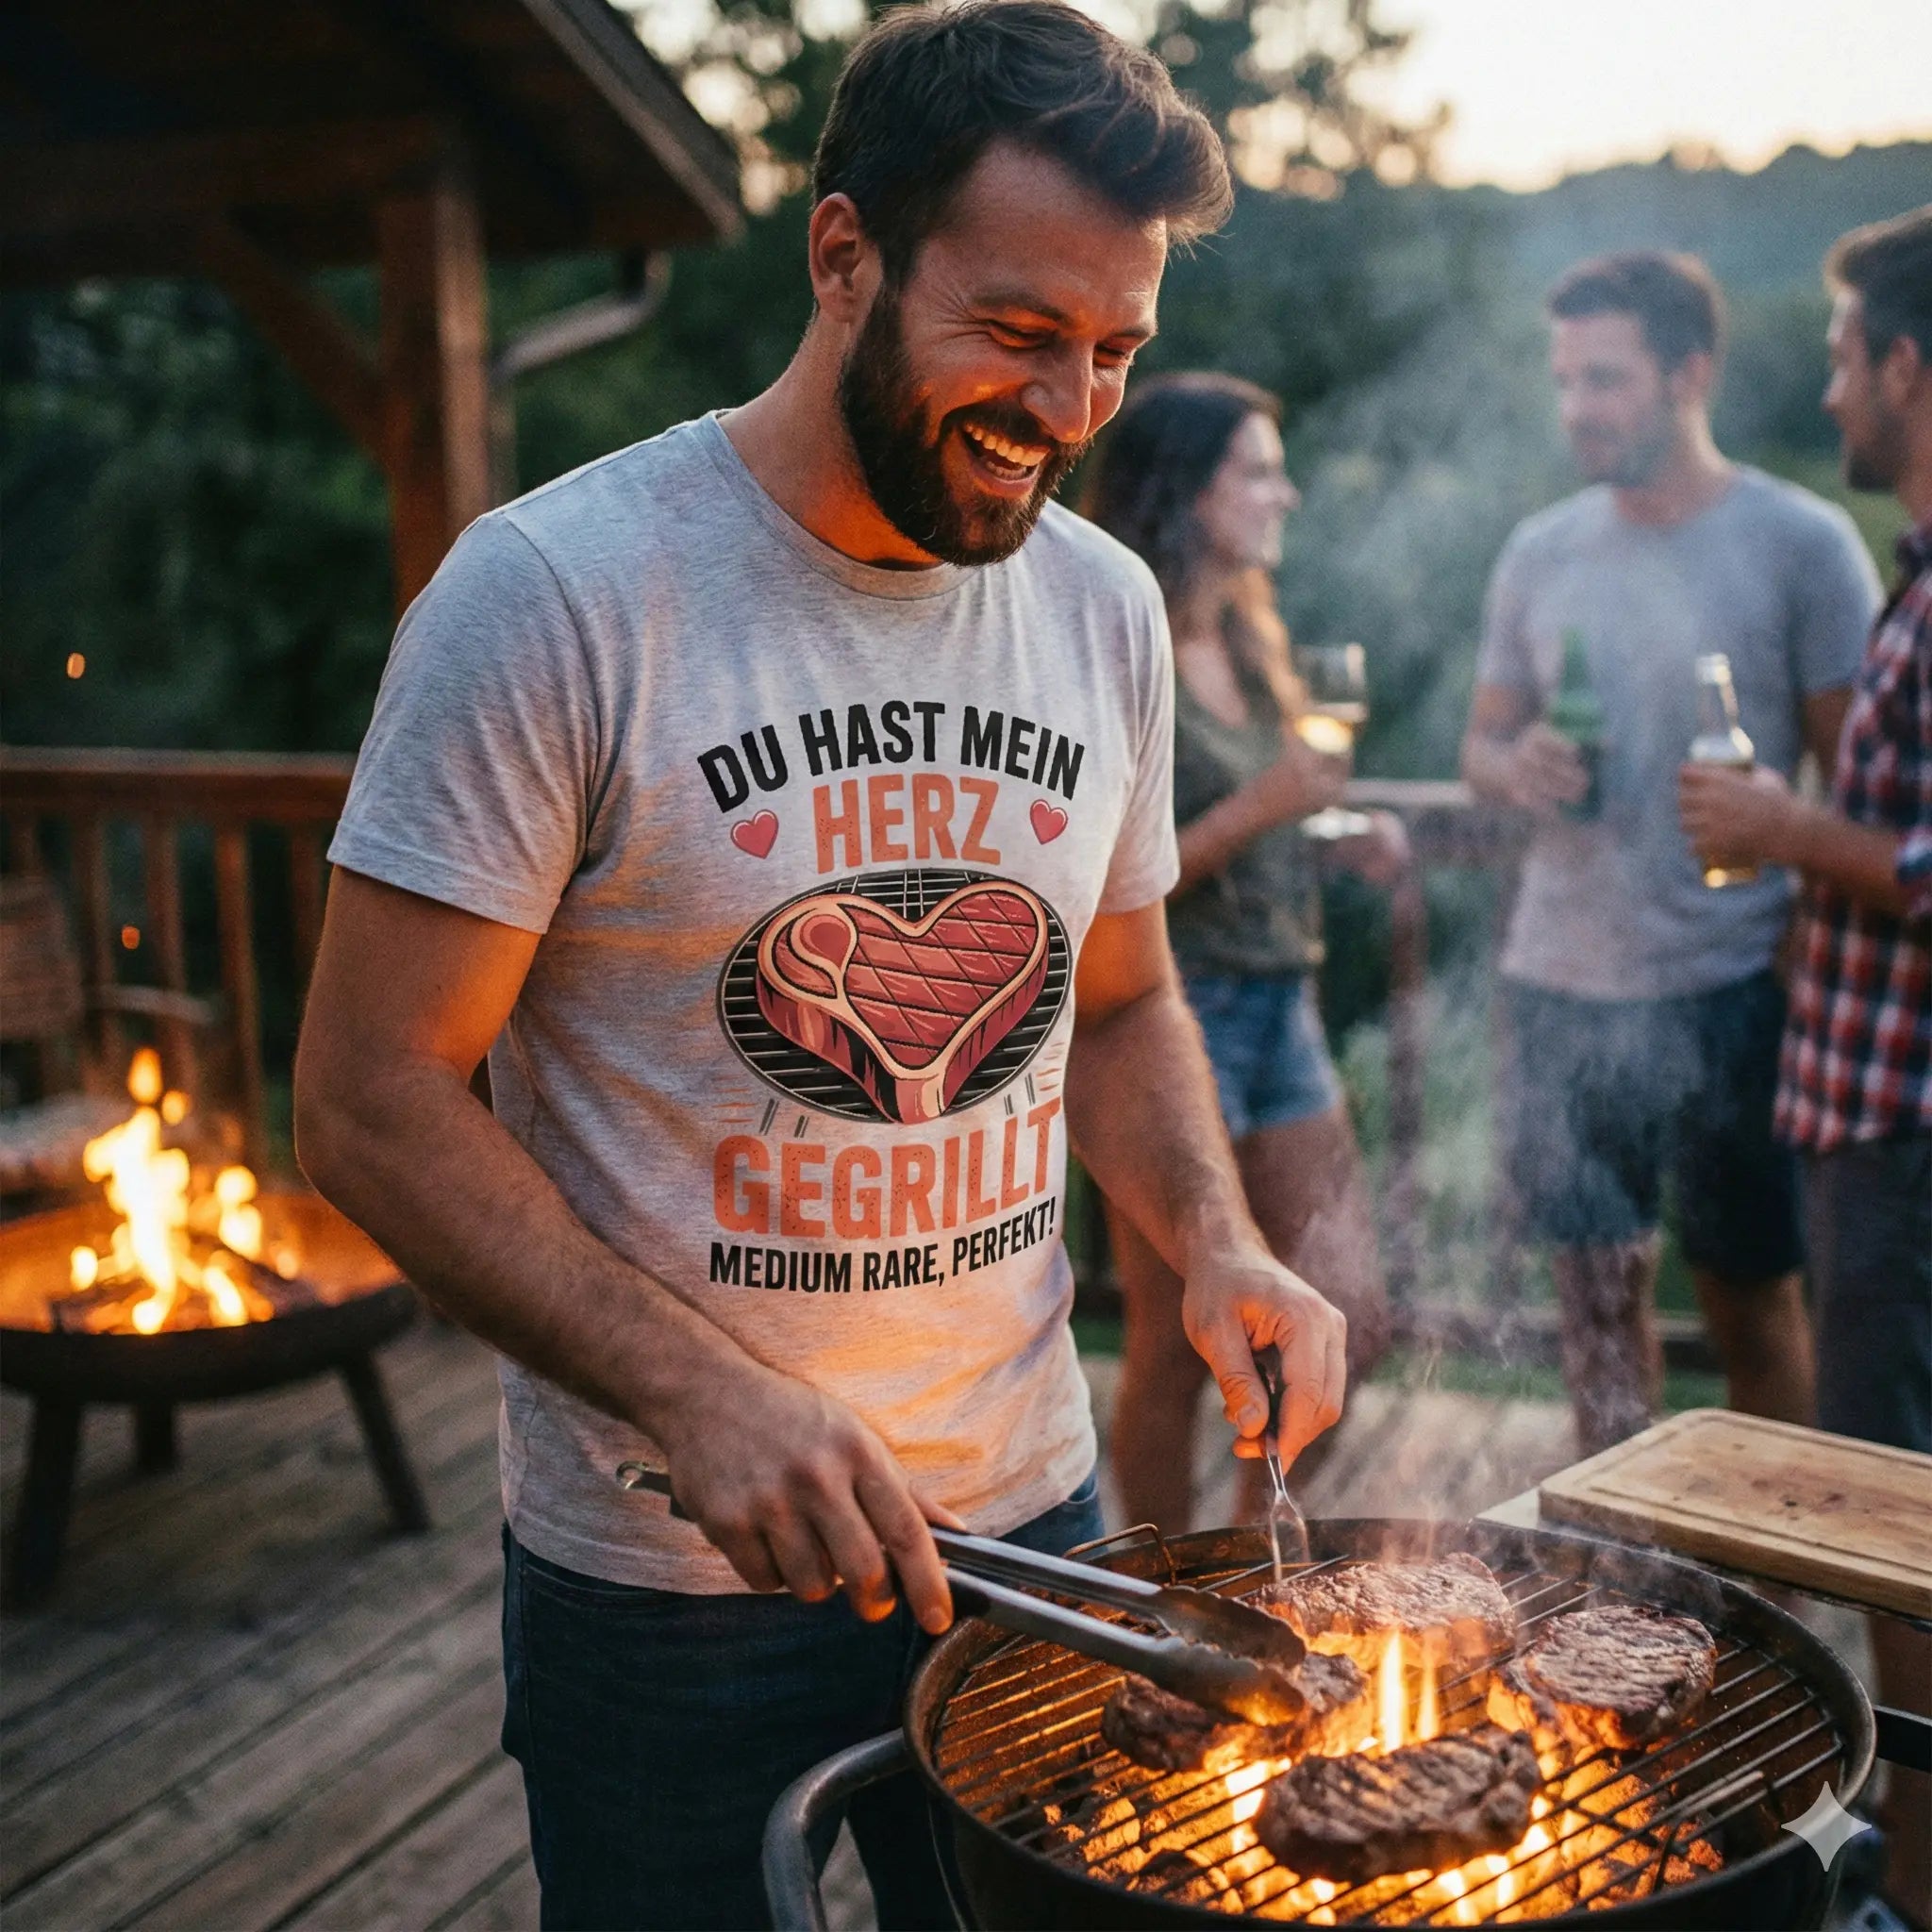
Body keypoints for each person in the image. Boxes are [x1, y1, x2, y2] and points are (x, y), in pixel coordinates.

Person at [292, 7, 1350, 1927]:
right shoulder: (554, 595)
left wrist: (1215, 1240)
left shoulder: (1102, 609)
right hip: (675, 1579)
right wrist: (698, 1393)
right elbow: (369, 1099)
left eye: (1115, 350)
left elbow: (1116, 998)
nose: (1068, 409)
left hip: (1031, 1517)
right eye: (1018, 330)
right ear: (842, 253)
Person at [1460, 251, 1880, 1457]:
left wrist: (1797, 944)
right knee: (1594, 1307)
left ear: (1688, 373)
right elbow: (1480, 743)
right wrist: (1516, 762)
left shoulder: (1801, 542)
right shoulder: (1540, 550)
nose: (1576, 408)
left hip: (1729, 987)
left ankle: (1773, 1556)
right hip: (1557, 979)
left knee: (1752, 1302)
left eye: (1604, 379)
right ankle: (1619, 1545)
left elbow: (1852, 783)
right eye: (1563, 380)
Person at [1679, 204, 1931, 1932]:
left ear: (1907, 366)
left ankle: (1913, 1887)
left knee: (1896, 1517)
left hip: (1905, 1128)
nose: (1831, 389)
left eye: (1845, 358)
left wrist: (1784, 830)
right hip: (1865, 1112)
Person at [1082, 373, 1397, 1532]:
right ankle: (1164, 1586)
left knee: (1352, 1307)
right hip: (1169, 1010)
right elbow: (1103, 880)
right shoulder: (1121, 646)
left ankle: (1253, 1545)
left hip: (1281, 1004)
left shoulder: (1247, 634)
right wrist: (1269, 803)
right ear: (1186, 489)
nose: (1284, 493)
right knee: (1172, 1344)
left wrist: (1332, 829)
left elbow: (1268, 812)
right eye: (1257, 471)